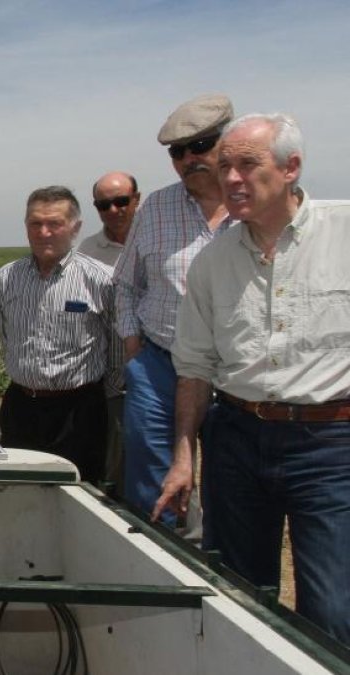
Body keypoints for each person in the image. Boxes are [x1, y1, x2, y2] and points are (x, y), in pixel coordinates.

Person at [155, 114, 350, 643]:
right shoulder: (211, 263)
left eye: (247, 164)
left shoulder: (343, 233)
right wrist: (184, 457)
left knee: (332, 609)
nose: (232, 179)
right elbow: (195, 367)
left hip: (330, 444)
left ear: (291, 167)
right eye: (225, 167)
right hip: (237, 438)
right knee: (239, 598)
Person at [113, 93, 233, 525]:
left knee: (231, 485)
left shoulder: (252, 207)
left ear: (226, 143)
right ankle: (158, 556)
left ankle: (216, 559)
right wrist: (133, 347)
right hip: (159, 365)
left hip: (232, 374)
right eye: (177, 152)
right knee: (152, 487)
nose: (188, 159)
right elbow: (126, 283)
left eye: (200, 146)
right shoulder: (156, 208)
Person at [0, 186, 115, 483]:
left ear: (75, 228)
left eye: (54, 224)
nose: (43, 232)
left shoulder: (100, 279)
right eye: (35, 223)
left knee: (79, 490)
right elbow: (6, 337)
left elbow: (118, 350)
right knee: (18, 489)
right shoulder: (6, 277)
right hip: (21, 406)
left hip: (78, 411)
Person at [79, 171, 140, 495]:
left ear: (136, 199)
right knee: (115, 460)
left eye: (121, 201)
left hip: (164, 368)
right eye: (104, 205)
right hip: (113, 377)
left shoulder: (156, 238)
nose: (113, 210)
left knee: (167, 456)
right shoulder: (88, 250)